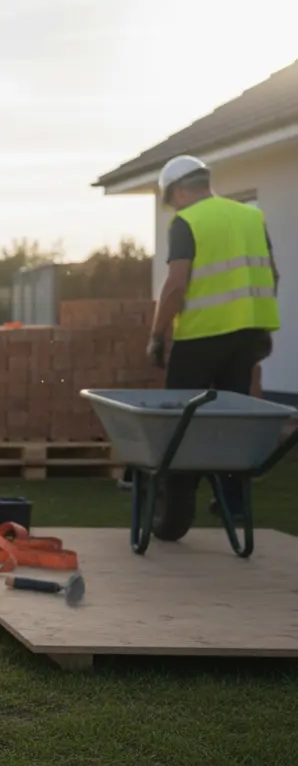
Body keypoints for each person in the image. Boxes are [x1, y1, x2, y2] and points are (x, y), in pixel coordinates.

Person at [143, 154, 280, 537]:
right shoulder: (251, 217)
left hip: (202, 336)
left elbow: (175, 285)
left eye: (171, 199)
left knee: (183, 418)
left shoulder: (187, 221)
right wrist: (257, 325)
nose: (173, 206)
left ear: (179, 190)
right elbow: (274, 274)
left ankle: (177, 502)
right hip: (250, 335)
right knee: (232, 419)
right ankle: (232, 499)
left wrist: (157, 335)